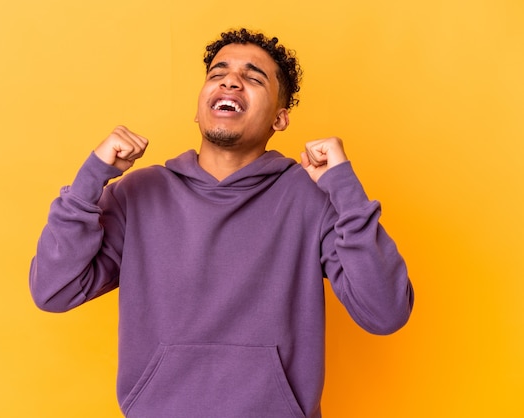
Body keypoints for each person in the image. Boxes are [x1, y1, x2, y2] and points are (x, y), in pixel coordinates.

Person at [29, 28, 414, 418]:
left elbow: (384, 312)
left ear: (280, 119)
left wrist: (344, 188)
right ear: (198, 109)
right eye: (219, 74)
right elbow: (53, 290)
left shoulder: (313, 198)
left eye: (253, 77)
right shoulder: (138, 194)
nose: (231, 81)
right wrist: (90, 179)